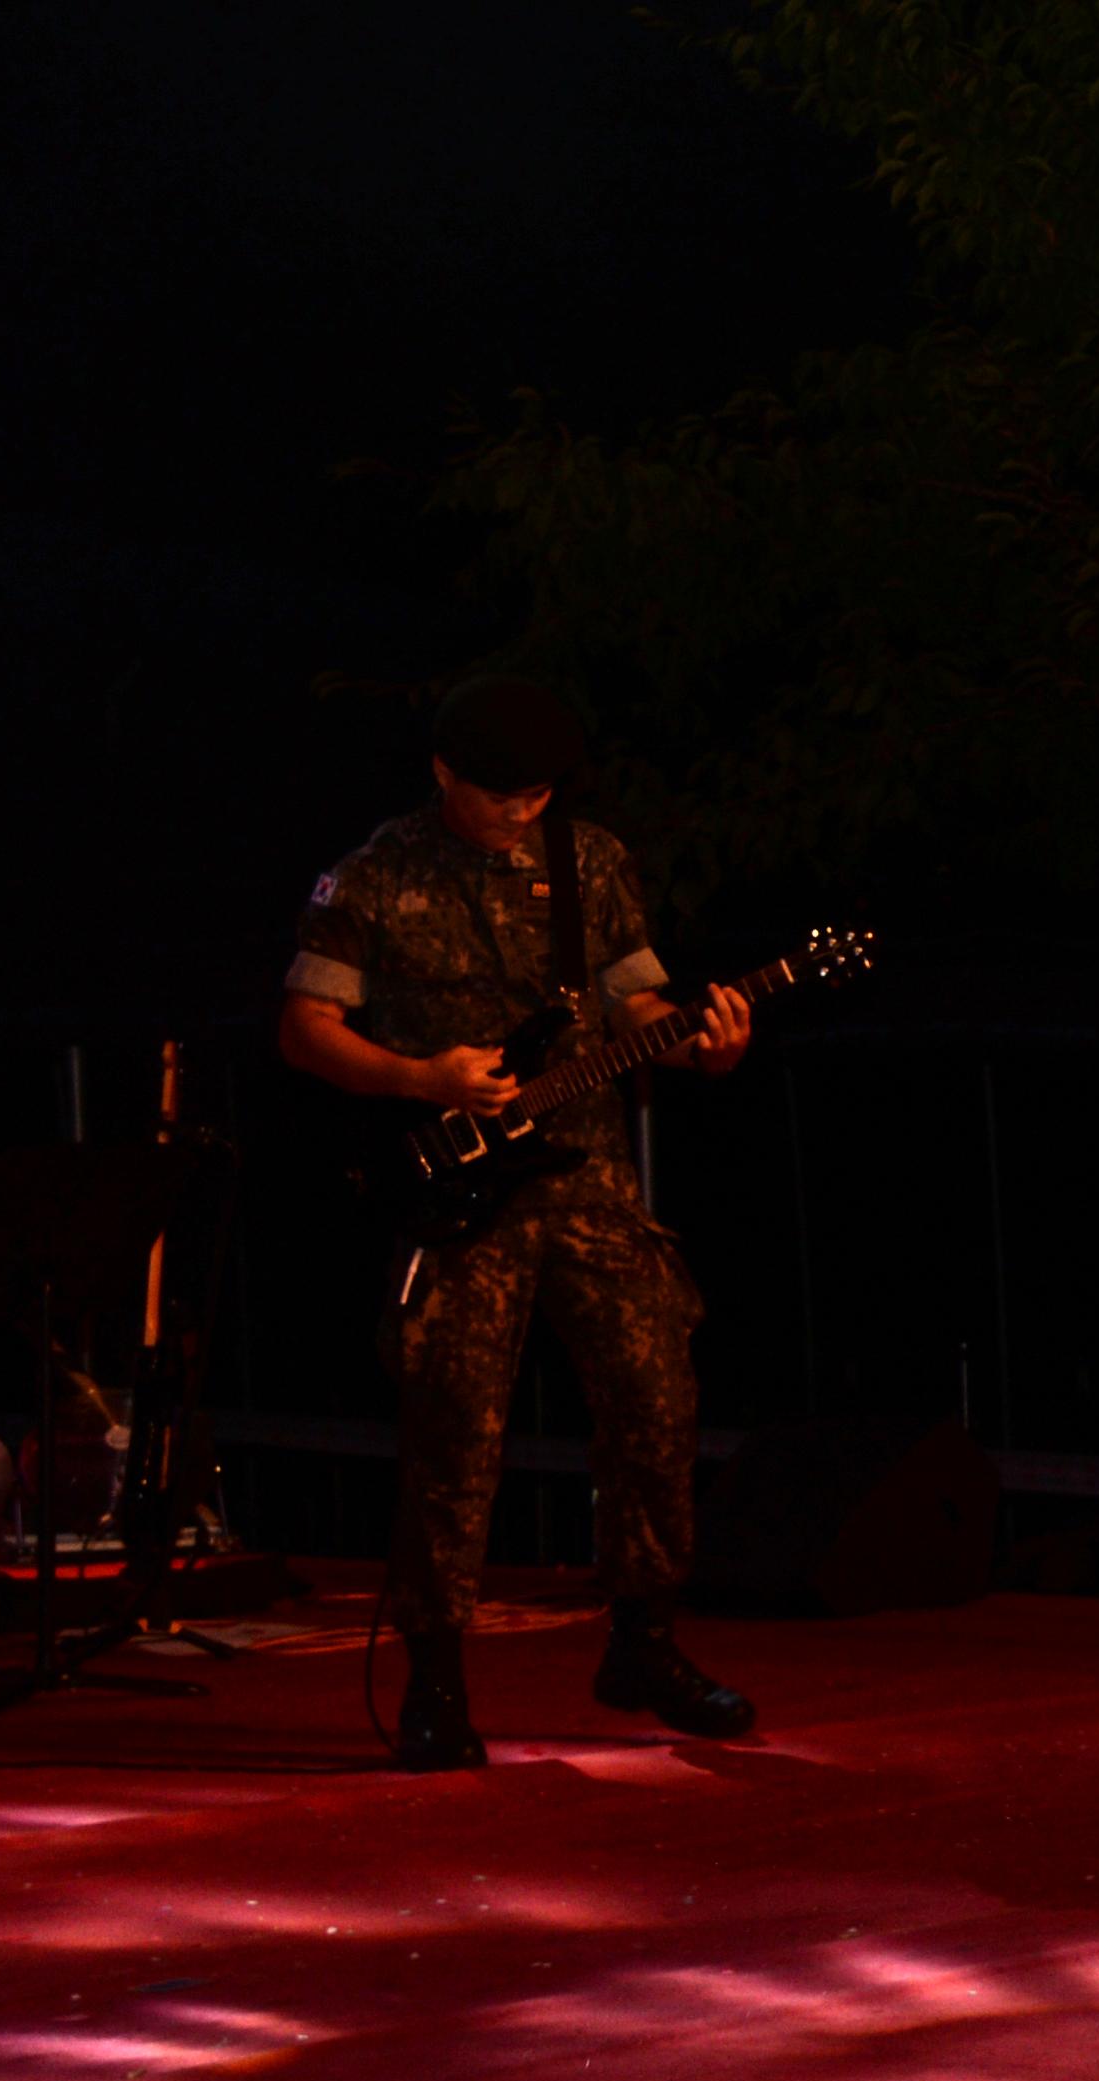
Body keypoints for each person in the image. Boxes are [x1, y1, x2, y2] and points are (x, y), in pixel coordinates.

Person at [279, 677, 759, 1770]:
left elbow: (636, 1001)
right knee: (455, 1433)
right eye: (503, 795)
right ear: (446, 776)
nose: (523, 812)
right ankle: (436, 1681)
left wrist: (701, 1042)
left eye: (539, 793)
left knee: (655, 1397)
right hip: (457, 1190)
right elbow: (305, 1029)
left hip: (585, 1173)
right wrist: (419, 1075)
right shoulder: (375, 876)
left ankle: (643, 1640)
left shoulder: (588, 861)